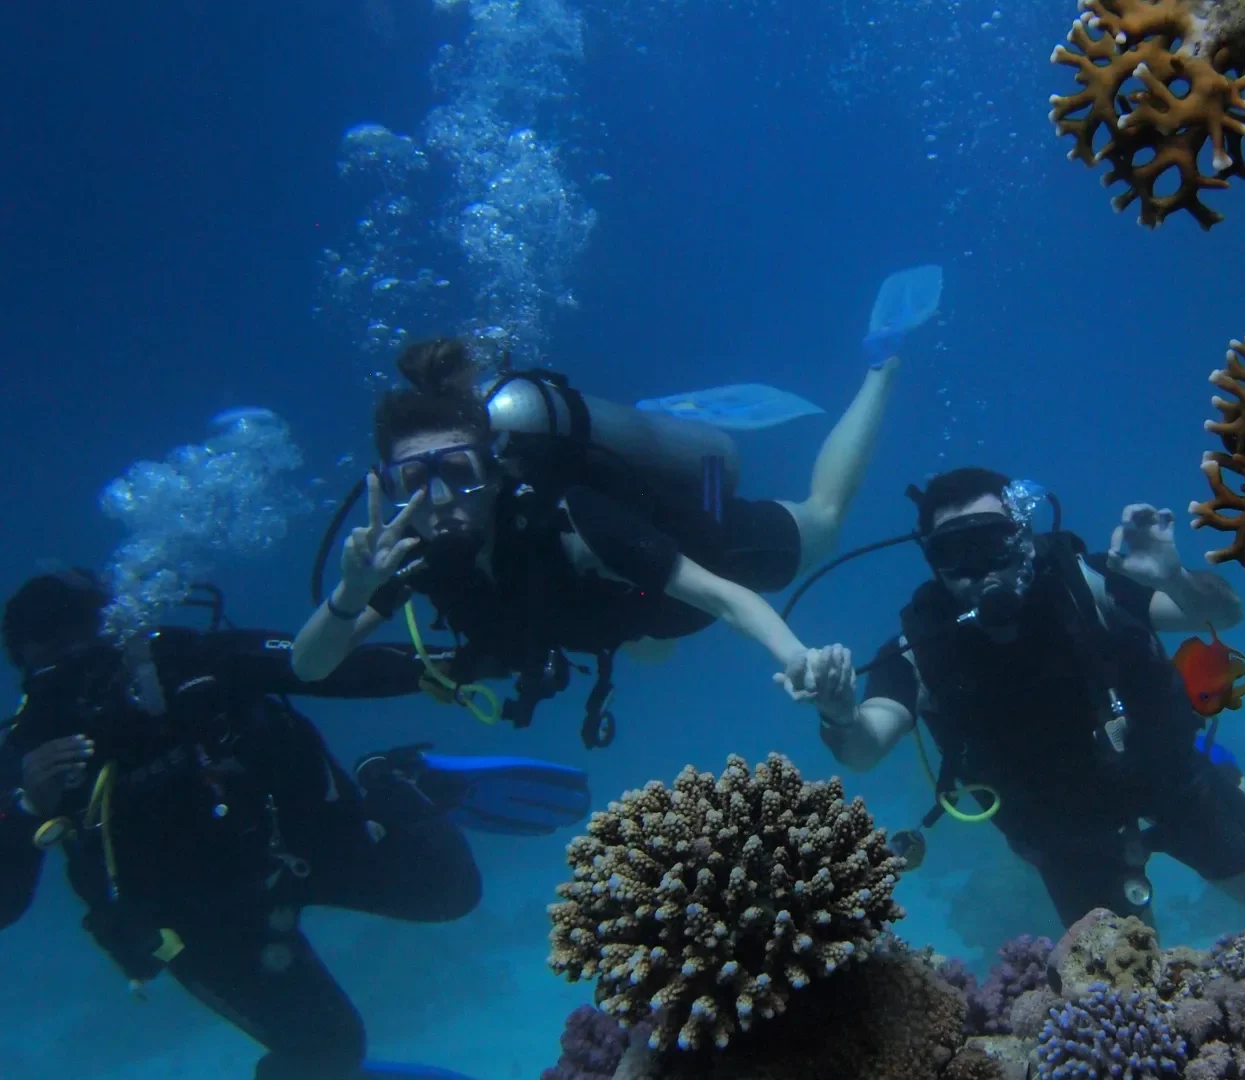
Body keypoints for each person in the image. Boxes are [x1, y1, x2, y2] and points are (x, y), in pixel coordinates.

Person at [0, 570, 582, 1080]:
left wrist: (471, 662)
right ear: (26, 670)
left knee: (451, 892)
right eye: (49, 658)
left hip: (306, 845)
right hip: (200, 925)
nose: (76, 668)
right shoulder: (22, 753)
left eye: (85, 640)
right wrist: (27, 803)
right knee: (328, 1049)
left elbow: (324, 666)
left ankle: (393, 778)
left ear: (116, 630)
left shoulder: (192, 665)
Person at [290, 338, 894, 745]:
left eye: (460, 472)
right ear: (388, 486)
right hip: (631, 615)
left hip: (700, 549)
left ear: (494, 469)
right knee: (649, 647)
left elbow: (722, 597)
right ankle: (681, 443)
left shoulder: (574, 517)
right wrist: (352, 592)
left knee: (826, 517)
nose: (441, 499)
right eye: (415, 480)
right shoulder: (403, 555)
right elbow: (309, 666)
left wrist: (796, 657)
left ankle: (880, 367)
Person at [797, 468, 1245, 929]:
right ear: (932, 562)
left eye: (993, 541)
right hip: (1069, 843)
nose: (979, 568)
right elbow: (865, 748)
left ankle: (1232, 779)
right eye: (954, 552)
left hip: (1178, 786)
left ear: (1023, 536)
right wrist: (839, 714)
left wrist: (1174, 579)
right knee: (1126, 1012)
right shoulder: (919, 650)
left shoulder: (1086, 584)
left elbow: (1222, 615)